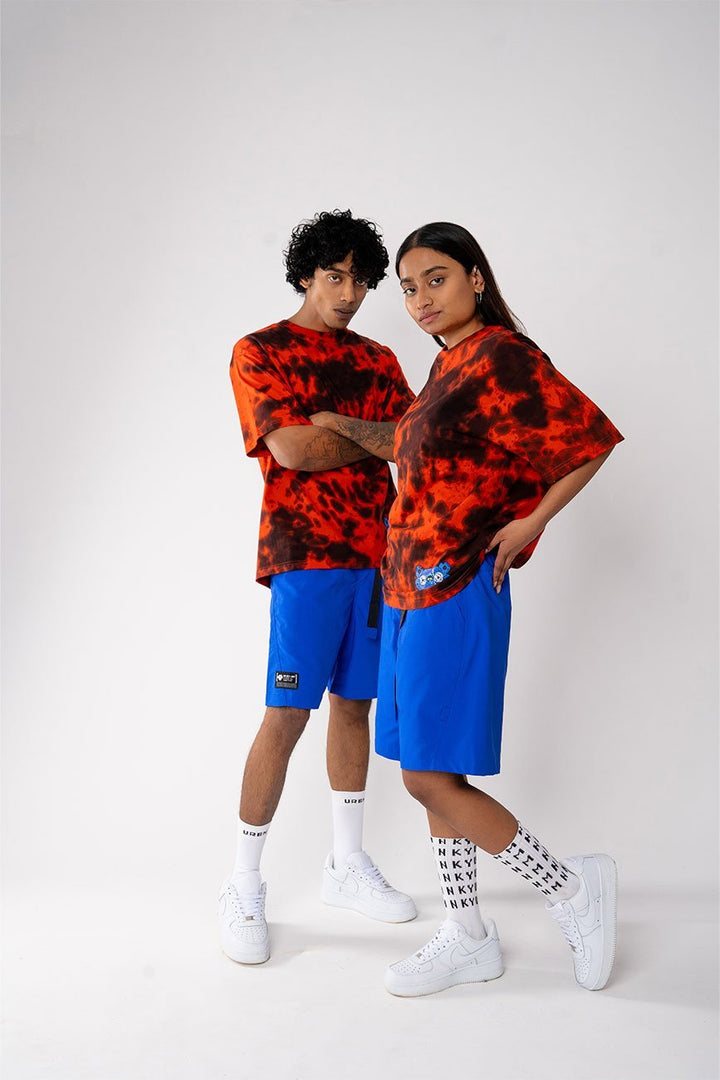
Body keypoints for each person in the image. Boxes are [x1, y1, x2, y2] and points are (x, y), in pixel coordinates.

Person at [310, 221, 624, 996]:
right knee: (431, 766)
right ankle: (468, 933)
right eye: (408, 288)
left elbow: (589, 440)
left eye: (437, 279)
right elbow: (410, 448)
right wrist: (338, 424)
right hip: (406, 585)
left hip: (454, 584)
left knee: (427, 777)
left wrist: (531, 521)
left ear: (476, 278)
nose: (420, 298)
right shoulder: (447, 366)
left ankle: (572, 889)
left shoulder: (503, 356)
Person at [219, 210, 417, 966]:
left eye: (361, 282)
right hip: (305, 555)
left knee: (355, 707)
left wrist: (337, 424)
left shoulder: (378, 359)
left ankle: (346, 864)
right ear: (306, 275)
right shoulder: (260, 351)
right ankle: (243, 882)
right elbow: (294, 451)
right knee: (286, 713)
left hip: (379, 553)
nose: (349, 294)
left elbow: (409, 443)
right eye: (335, 277)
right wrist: (364, 433)